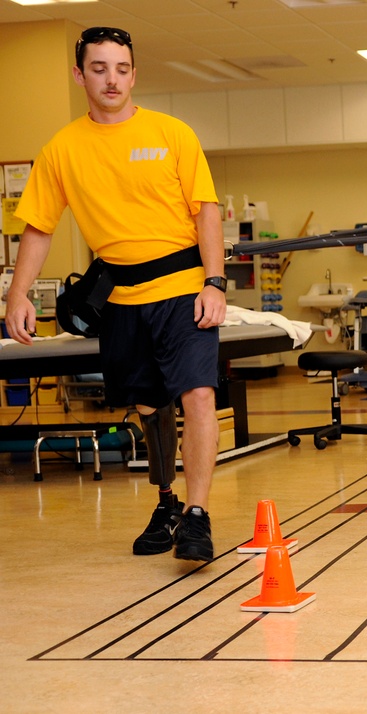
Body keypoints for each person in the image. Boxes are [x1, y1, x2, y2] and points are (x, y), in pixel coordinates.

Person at [4, 27, 227, 561]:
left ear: (134, 73)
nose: (112, 79)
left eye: (122, 68)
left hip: (183, 289)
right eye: (99, 68)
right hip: (120, 298)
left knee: (198, 395)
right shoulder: (62, 148)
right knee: (147, 404)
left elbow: (207, 211)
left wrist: (215, 281)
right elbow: (38, 226)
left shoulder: (172, 133)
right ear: (79, 74)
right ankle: (168, 500)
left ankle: (197, 515)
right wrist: (18, 294)